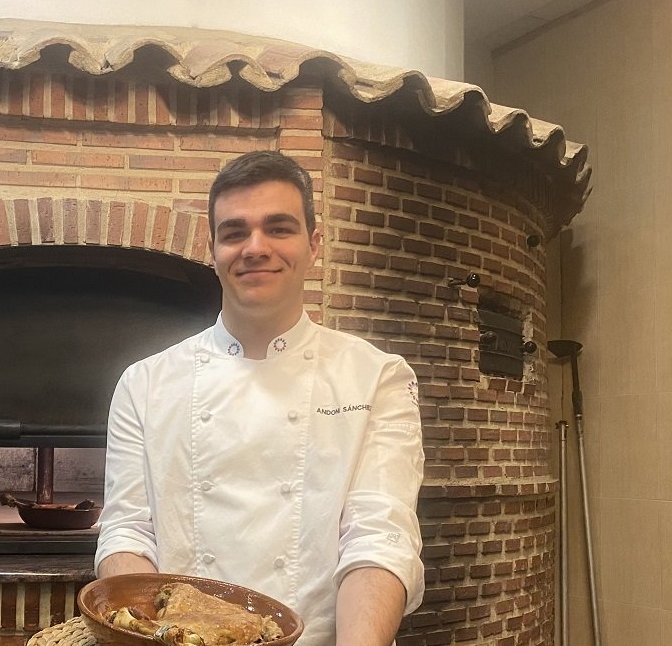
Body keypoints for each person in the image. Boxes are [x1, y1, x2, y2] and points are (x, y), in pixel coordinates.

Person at [94, 150, 425, 646]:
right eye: (234, 233)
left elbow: (380, 538)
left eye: (279, 228)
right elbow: (128, 531)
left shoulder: (378, 377)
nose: (255, 247)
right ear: (212, 250)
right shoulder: (144, 383)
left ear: (314, 244)